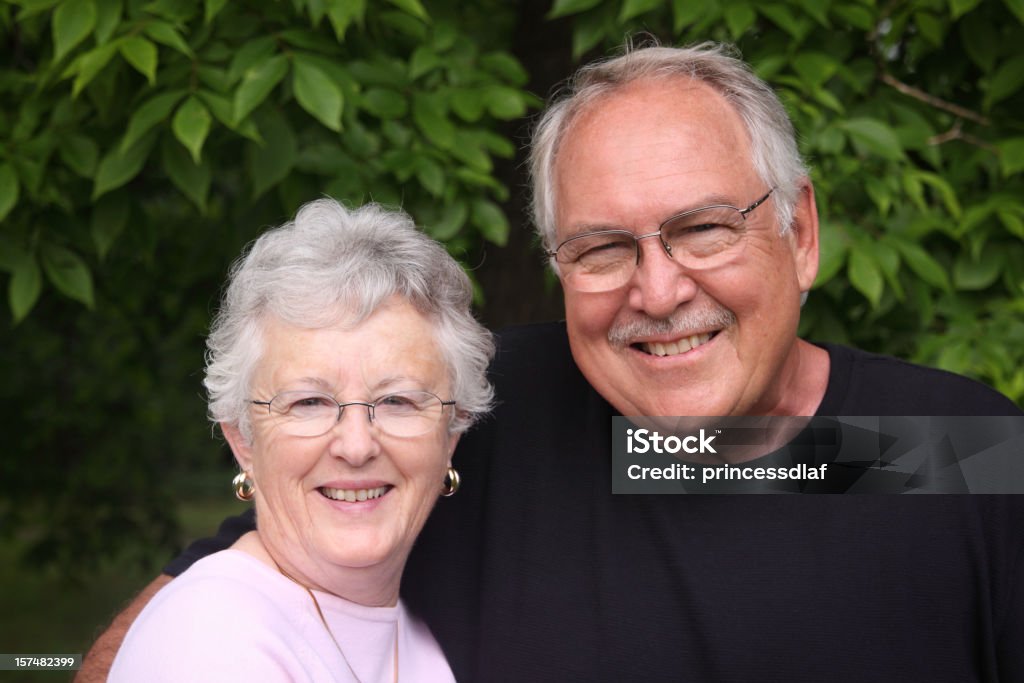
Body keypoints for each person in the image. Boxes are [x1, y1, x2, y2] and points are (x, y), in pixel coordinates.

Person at [82, 42, 1024, 682]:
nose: (659, 291)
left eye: (702, 229)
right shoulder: (488, 421)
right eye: (604, 248)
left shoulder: (948, 449)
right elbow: (205, 607)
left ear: (801, 232)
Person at [105, 199, 494, 681]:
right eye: (308, 403)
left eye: (398, 401)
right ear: (242, 439)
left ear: (451, 434)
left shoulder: (423, 634)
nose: (356, 447)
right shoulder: (211, 643)